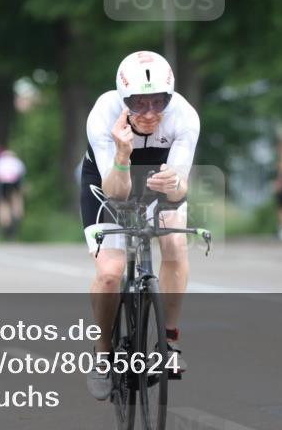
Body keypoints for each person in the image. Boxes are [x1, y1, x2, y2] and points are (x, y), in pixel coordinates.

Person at [81, 50, 199, 400]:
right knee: (110, 273)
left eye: (158, 102)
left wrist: (174, 184)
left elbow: (181, 187)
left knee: (175, 245)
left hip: (158, 181)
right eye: (138, 103)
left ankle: (169, 342)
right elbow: (115, 193)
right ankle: (103, 352)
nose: (149, 113)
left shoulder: (184, 116)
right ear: (123, 100)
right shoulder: (103, 114)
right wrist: (121, 154)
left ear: (170, 97)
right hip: (110, 182)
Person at [0, 149, 26, 239]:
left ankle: (5, 219)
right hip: (14, 182)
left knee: (3, 202)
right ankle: (17, 212)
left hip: (2, 183)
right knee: (17, 198)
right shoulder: (17, 162)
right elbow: (21, 176)